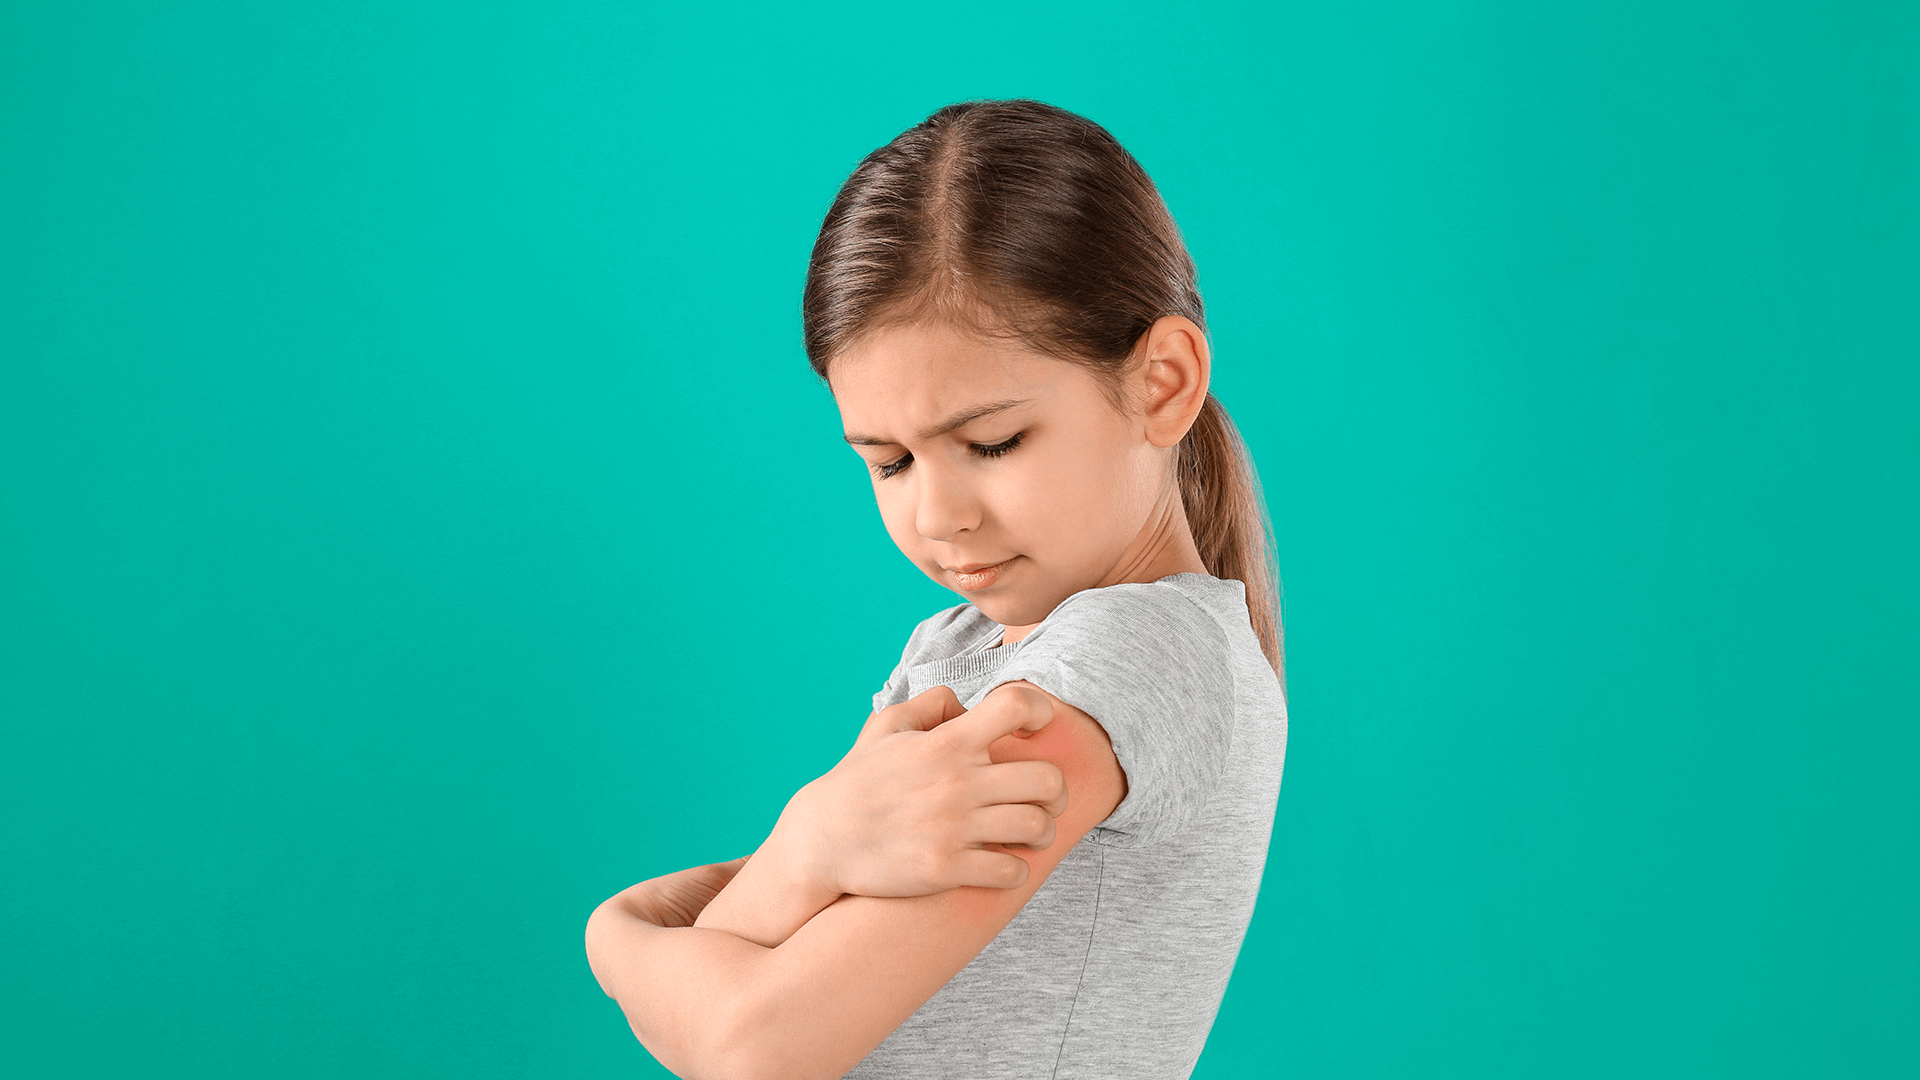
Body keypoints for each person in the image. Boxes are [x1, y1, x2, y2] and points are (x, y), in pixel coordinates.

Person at [584, 98, 1288, 1080]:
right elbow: (752, 941)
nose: (938, 515)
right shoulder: (959, 650)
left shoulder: (1124, 660)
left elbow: (750, 1041)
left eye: (992, 442)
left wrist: (617, 935)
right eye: (889, 461)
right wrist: (799, 855)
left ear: (1162, 382)